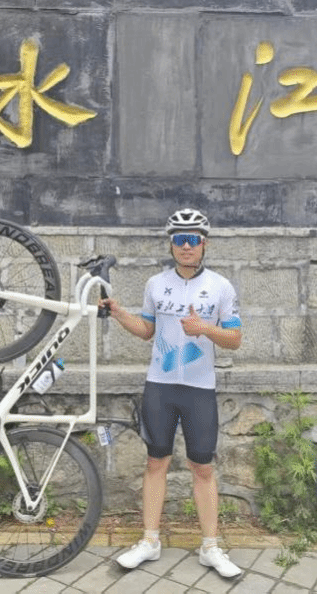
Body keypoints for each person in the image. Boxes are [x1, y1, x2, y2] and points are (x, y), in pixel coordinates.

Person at [102, 208, 243, 579]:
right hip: (160, 387)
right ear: (171, 244)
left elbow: (235, 339)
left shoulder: (221, 286)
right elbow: (146, 330)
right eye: (180, 239)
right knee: (155, 462)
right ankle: (150, 541)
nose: (186, 246)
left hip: (199, 389)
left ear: (204, 244)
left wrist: (205, 329)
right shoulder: (155, 284)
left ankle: (210, 547)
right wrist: (118, 313)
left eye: (193, 239)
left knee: (202, 467)